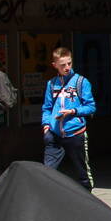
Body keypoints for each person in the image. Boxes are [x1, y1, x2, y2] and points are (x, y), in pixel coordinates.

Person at [41, 47, 96, 191]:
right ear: (55, 65)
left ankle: (87, 196)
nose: (67, 67)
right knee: (47, 172)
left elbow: (91, 107)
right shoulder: (51, 84)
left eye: (69, 63)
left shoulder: (81, 82)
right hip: (54, 134)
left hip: (75, 133)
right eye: (63, 65)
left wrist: (73, 111)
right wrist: (46, 127)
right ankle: (47, 198)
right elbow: (47, 108)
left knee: (82, 173)